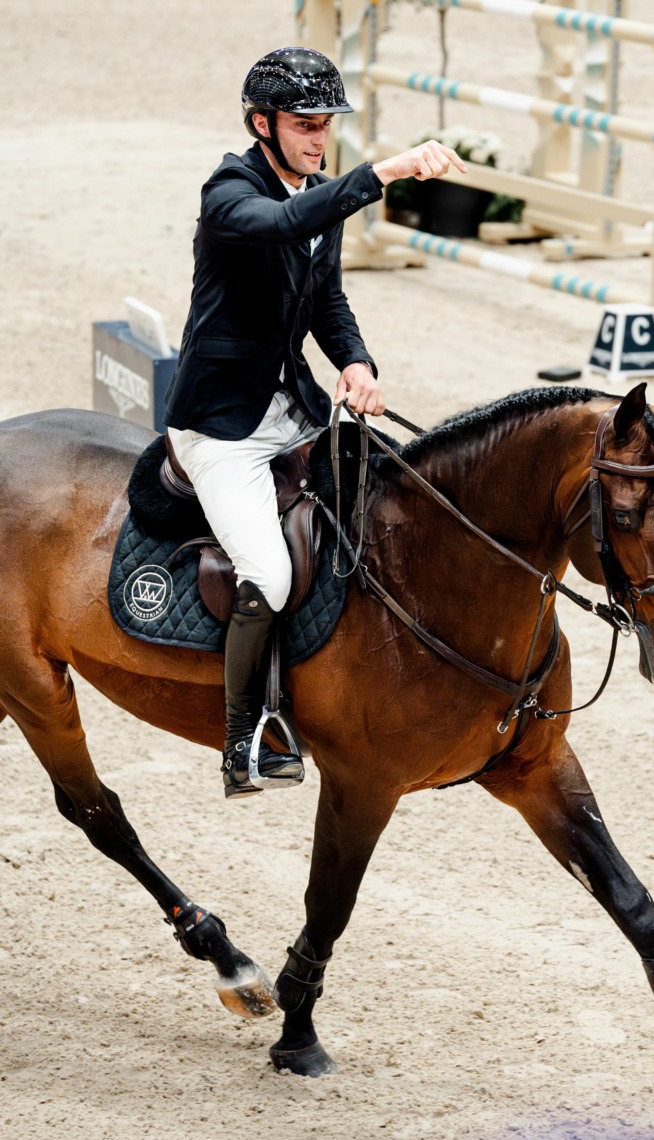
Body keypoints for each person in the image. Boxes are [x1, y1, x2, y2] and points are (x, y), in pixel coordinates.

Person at [163, 48, 466, 797]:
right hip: (220, 425)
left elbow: (326, 302)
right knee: (265, 568)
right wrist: (385, 174)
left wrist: (355, 362)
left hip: (288, 406)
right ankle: (244, 742)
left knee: (382, 504)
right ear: (261, 123)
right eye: (305, 124)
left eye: (326, 123)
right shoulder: (230, 192)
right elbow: (286, 220)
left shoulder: (319, 195)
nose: (319, 137)